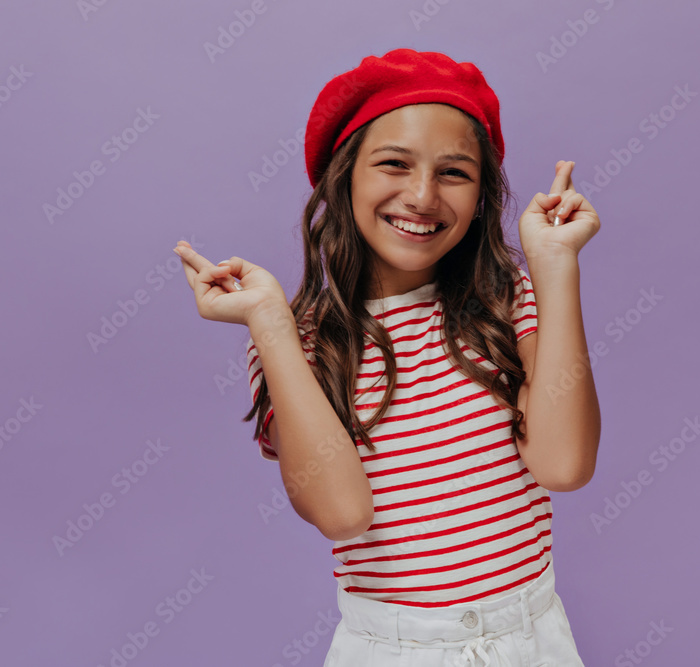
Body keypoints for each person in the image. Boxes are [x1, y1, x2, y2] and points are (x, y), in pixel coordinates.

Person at [174, 48, 600, 667]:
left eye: (454, 172)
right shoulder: (301, 343)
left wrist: (556, 266)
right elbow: (342, 513)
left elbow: (563, 465)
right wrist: (270, 324)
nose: (422, 196)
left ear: (482, 195)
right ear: (344, 177)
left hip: (533, 640)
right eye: (394, 164)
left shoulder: (509, 302)